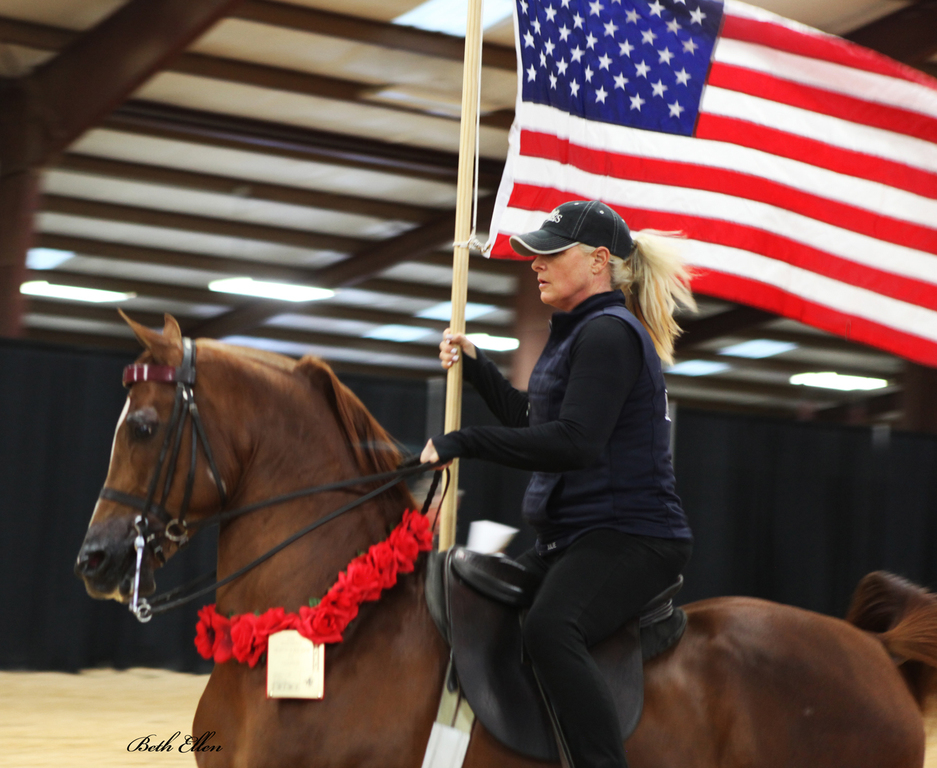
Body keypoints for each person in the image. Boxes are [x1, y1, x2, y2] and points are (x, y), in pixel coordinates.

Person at [420, 200, 696, 768]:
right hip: (578, 538)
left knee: (551, 628)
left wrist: (464, 442)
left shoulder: (609, 335)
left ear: (598, 261)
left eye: (550, 252)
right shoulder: (576, 335)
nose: (534, 263)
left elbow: (574, 443)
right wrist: (479, 370)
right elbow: (534, 424)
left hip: (633, 537)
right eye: (534, 254)